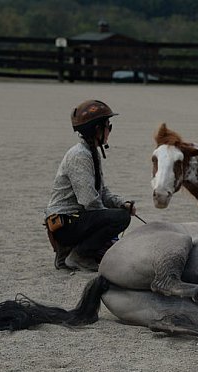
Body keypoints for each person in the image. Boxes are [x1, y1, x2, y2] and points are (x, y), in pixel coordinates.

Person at [44, 99, 136, 272]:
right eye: (109, 126)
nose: (110, 130)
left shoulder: (91, 152)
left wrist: (121, 203)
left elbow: (101, 192)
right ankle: (80, 256)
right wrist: (111, 222)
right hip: (66, 224)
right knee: (121, 218)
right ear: (98, 129)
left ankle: (68, 253)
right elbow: (90, 201)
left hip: (72, 221)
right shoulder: (80, 156)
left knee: (120, 213)